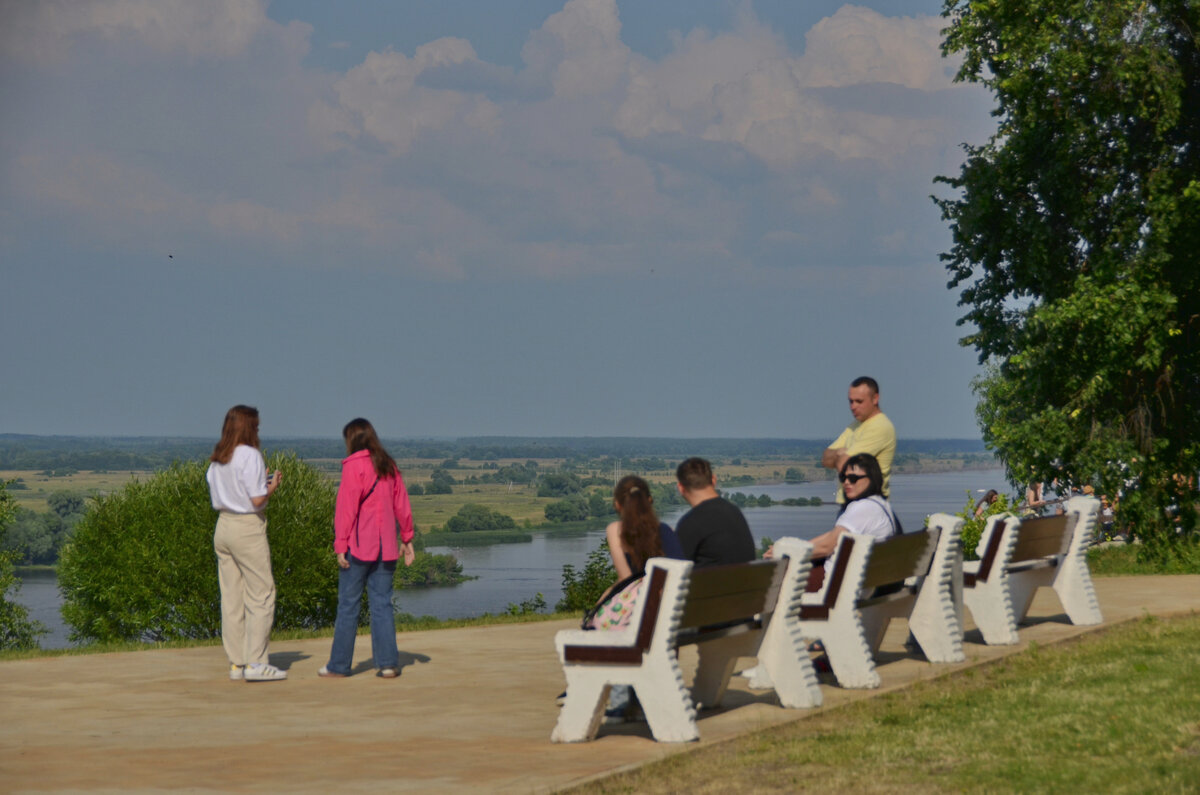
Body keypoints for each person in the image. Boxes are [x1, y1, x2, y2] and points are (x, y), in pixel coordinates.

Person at [320, 418, 416, 679]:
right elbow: (402, 506)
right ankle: (388, 664)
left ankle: (339, 666)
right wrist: (407, 538)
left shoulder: (353, 466)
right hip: (387, 549)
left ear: (351, 440)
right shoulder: (388, 465)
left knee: (348, 606)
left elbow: (346, 509)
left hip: (358, 547)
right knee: (382, 605)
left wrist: (340, 544)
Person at [206, 405, 287, 682]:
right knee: (261, 595)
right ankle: (256, 662)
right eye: (257, 426)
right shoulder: (250, 455)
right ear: (248, 427)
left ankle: (236, 663)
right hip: (246, 529)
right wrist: (271, 486)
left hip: (223, 526)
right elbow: (256, 500)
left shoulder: (219, 458)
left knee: (231, 597)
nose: (259, 430)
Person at [586, 475, 685, 631]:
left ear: (617, 505)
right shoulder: (667, 531)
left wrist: (600, 604)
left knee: (595, 625)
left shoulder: (615, 530)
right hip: (672, 614)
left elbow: (625, 579)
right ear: (650, 500)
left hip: (640, 616)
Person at [790, 453, 901, 589]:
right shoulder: (880, 505)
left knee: (782, 580)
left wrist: (788, 553)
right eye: (843, 477)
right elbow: (833, 536)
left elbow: (827, 546)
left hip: (838, 584)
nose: (847, 482)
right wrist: (797, 546)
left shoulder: (862, 507)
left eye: (853, 478)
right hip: (865, 580)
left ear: (871, 479)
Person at [822, 376, 896, 505]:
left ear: (875, 398)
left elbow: (843, 466)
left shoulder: (880, 427)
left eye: (859, 401)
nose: (853, 406)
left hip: (868, 505)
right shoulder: (856, 425)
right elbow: (825, 459)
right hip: (850, 504)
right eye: (851, 401)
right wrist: (839, 454)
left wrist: (841, 456)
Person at [674, 457, 755, 566]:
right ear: (713, 480)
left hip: (710, 582)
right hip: (745, 581)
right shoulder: (734, 512)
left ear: (680, 487)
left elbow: (676, 568)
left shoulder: (690, 522)